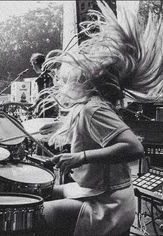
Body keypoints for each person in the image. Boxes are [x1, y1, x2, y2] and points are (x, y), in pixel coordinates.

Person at [37, 1, 163, 236]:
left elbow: (134, 148)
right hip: (103, 192)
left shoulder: (92, 109)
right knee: (44, 191)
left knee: (35, 213)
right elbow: (90, 130)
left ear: (86, 77)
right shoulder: (90, 108)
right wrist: (59, 127)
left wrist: (79, 157)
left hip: (107, 203)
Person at [29, 53, 58, 118]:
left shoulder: (42, 78)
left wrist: (34, 105)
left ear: (36, 63)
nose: (33, 68)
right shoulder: (52, 74)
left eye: (33, 65)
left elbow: (42, 95)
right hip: (54, 108)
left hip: (45, 109)